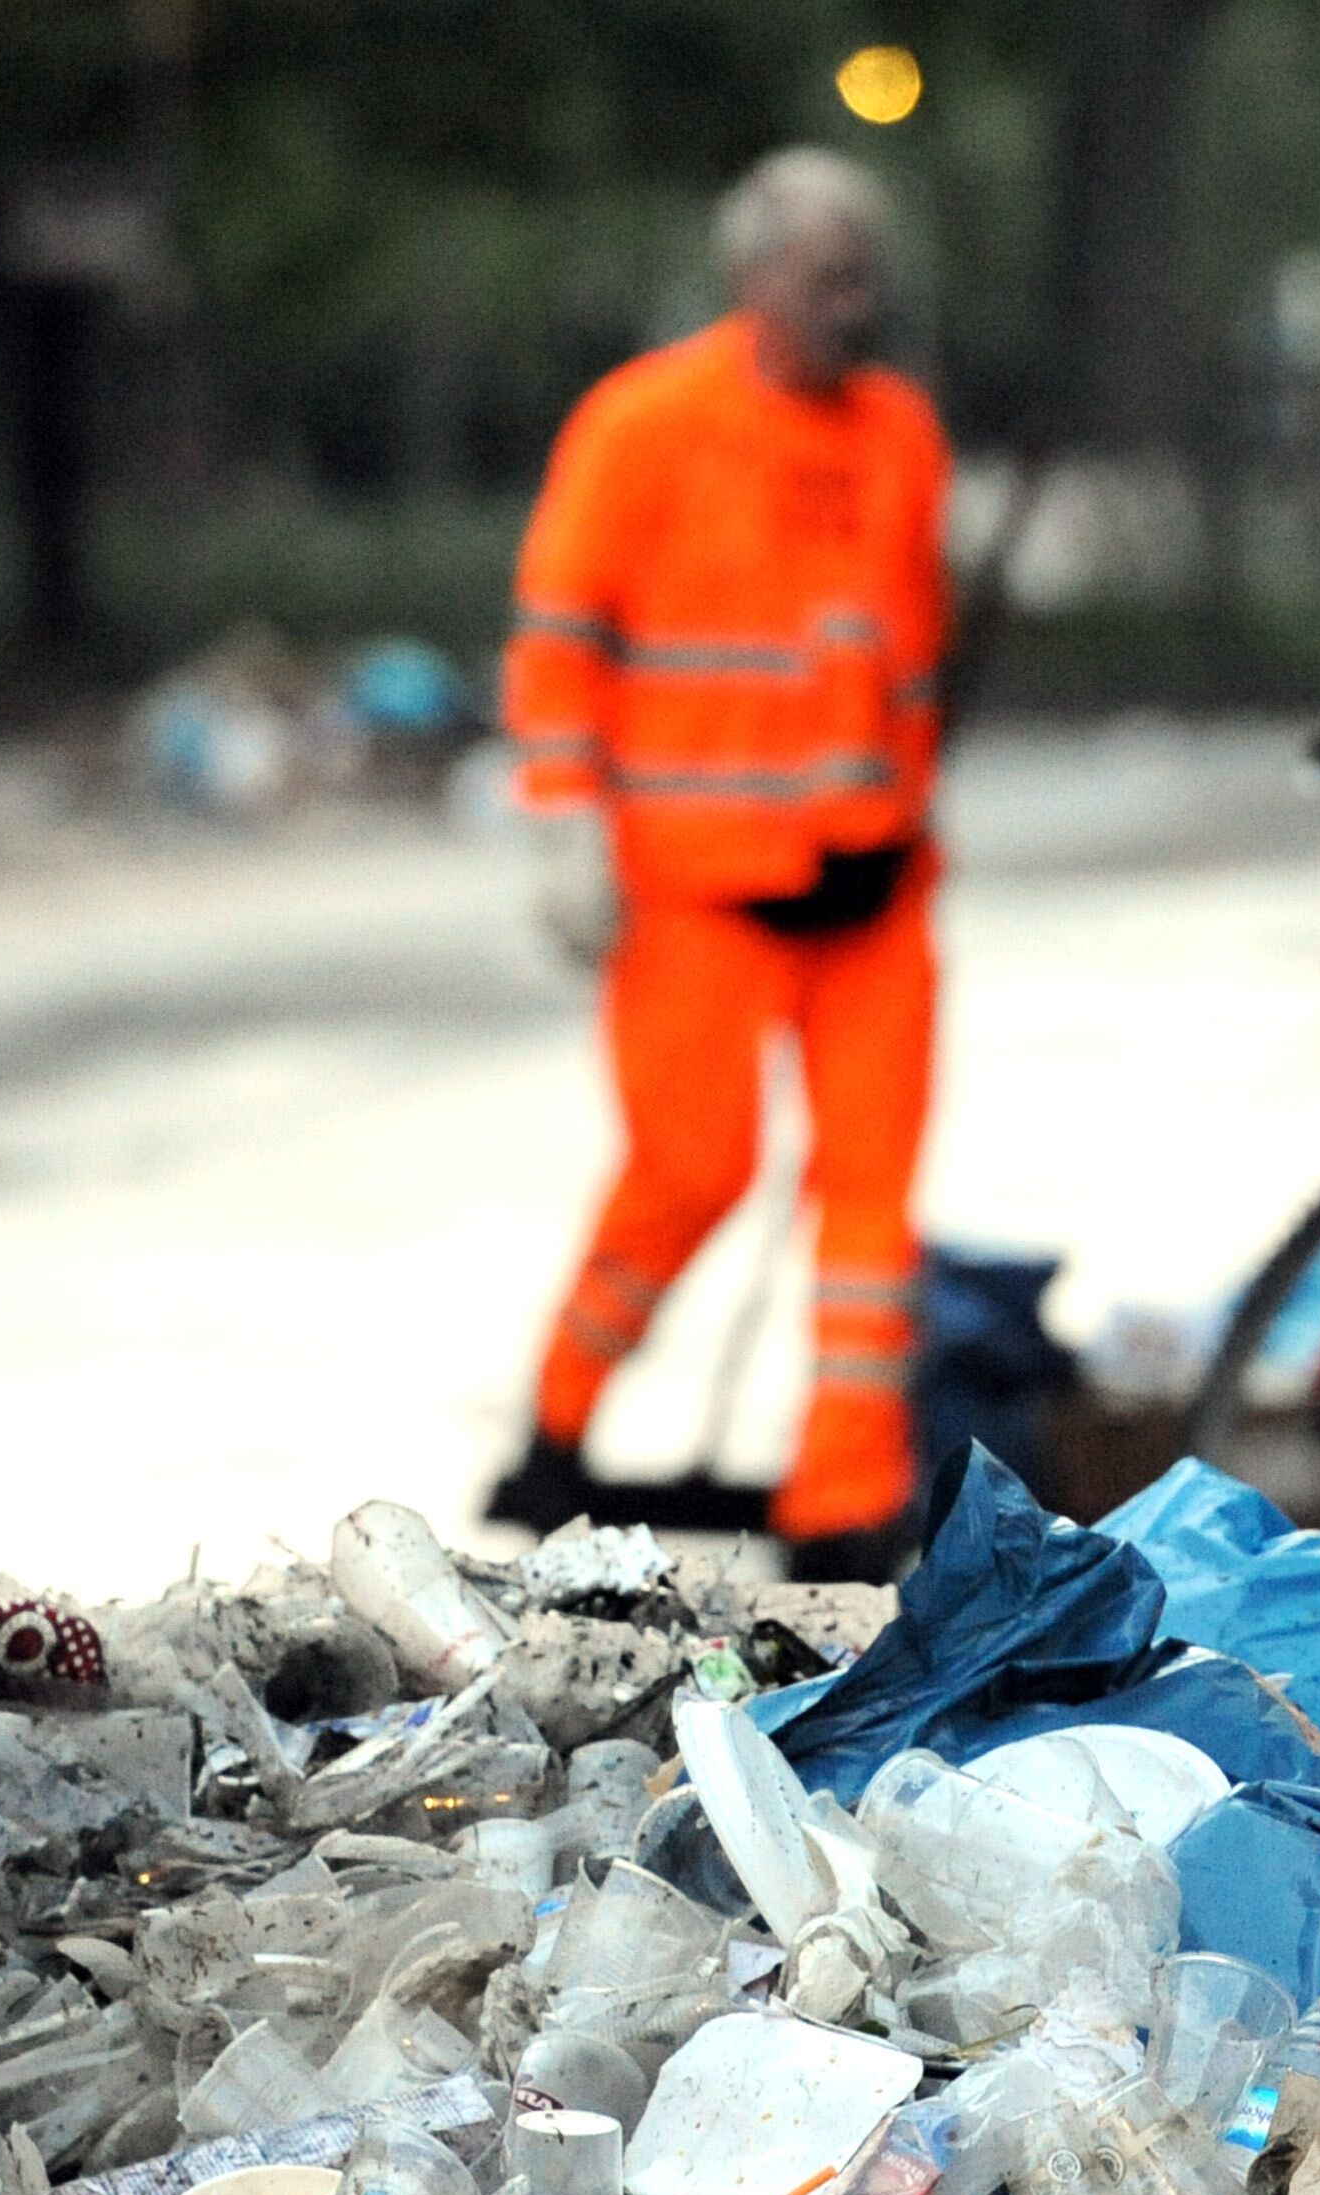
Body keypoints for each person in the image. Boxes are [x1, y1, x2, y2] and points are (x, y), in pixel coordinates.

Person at [480, 150, 955, 1585]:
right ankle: (556, 1428)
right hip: (694, 885)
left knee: (870, 1201)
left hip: (870, 890)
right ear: (754, 282)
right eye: (827, 280)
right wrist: (565, 828)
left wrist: (909, 821)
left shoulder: (901, 438)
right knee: (693, 1166)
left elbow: (905, 667)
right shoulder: (642, 427)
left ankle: (842, 1498)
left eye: (866, 278)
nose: (853, 306)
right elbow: (559, 643)